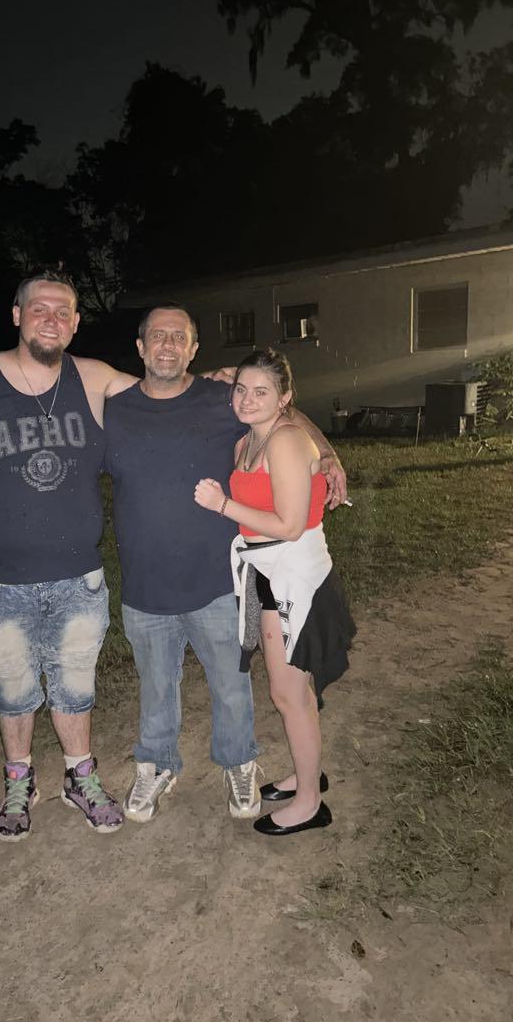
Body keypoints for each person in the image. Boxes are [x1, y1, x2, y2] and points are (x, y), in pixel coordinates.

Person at [104, 307, 347, 824]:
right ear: (141, 347)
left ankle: (241, 765)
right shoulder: (116, 408)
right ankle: (157, 764)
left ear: (195, 349)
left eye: (180, 337)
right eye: (157, 337)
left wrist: (327, 454)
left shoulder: (224, 398)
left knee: (241, 685)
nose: (168, 345)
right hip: (157, 582)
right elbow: (270, 409)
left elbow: (285, 415)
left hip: (229, 579)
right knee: (158, 686)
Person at [0, 270, 138, 841]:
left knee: (76, 683)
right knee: (13, 685)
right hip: (0, 578)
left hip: (79, 576)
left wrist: (284, 418)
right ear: (16, 315)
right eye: (38, 307)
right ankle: (19, 780)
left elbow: (166, 401)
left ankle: (79, 777)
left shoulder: (94, 379)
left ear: (74, 323)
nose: (51, 317)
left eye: (62, 310)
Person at [194, 348, 356, 836]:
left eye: (261, 391)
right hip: (267, 573)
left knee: (288, 694)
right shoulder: (248, 441)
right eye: (240, 389)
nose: (247, 399)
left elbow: (288, 525)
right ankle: (307, 776)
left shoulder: (285, 441)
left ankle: (309, 802)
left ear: (285, 398)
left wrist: (221, 505)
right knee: (291, 690)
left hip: (295, 576)